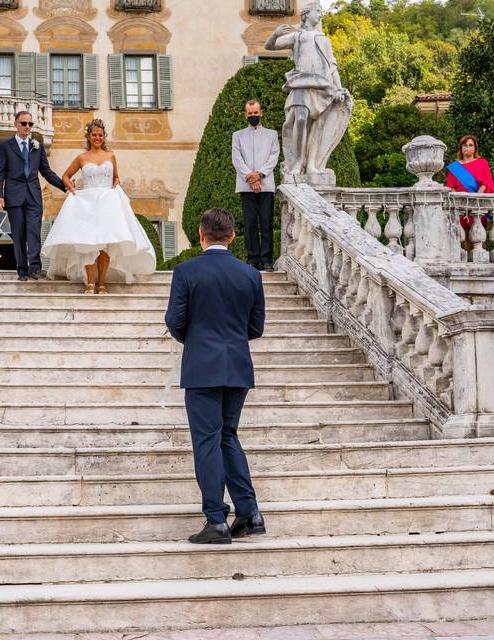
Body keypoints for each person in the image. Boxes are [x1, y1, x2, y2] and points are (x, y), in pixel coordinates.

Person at [164, 208, 266, 545]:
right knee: (228, 436)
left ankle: (216, 519)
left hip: (202, 366)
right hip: (237, 365)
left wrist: (196, 342)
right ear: (233, 235)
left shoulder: (186, 271)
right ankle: (249, 513)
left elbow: (174, 320)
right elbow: (256, 327)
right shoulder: (250, 274)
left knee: (208, 440)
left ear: (201, 234)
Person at [41, 119, 156, 293]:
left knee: (105, 245)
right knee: (89, 244)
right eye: (94, 135)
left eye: (100, 135)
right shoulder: (81, 158)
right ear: (89, 136)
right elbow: (65, 176)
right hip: (87, 204)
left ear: (104, 136)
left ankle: (101, 283)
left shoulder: (111, 156)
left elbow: (116, 177)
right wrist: (70, 188)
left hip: (108, 203)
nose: (97, 138)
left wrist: (116, 184)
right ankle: (90, 283)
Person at [264, 1, 352, 181]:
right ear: (306, 14)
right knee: (301, 119)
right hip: (300, 83)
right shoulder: (297, 36)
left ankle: (311, 164)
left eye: (320, 12)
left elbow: (332, 65)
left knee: (317, 125)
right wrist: (274, 34)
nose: (320, 15)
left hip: (322, 85)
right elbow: (269, 46)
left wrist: (338, 87)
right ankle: (297, 163)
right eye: (317, 11)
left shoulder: (324, 39)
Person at [0, 111, 67, 281]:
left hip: (34, 195)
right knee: (18, 234)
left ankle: (35, 268)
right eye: (24, 123)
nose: (28, 127)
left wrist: (65, 186)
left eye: (30, 124)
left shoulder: (37, 146)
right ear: (16, 124)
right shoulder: (5, 146)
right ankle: (22, 270)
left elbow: (46, 171)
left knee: (34, 232)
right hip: (13, 195)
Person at [232, 100, 280, 271]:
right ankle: (253, 259)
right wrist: (251, 178)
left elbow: (274, 157)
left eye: (255, 113)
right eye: (250, 113)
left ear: (261, 113)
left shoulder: (272, 135)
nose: (253, 116)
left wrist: (259, 175)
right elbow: (237, 159)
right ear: (246, 115)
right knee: (250, 223)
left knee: (266, 223)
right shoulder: (237, 136)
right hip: (246, 187)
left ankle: (266, 260)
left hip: (266, 185)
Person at [446, 134, 494, 245]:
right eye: (465, 145)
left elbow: (486, 183)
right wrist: (461, 200)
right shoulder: (454, 167)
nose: (468, 148)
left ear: (475, 148)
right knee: (462, 239)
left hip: (477, 203)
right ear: (461, 148)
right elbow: (451, 187)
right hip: (460, 205)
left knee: (478, 238)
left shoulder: (482, 163)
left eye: (470, 145)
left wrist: (475, 198)